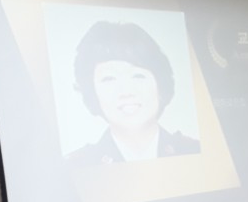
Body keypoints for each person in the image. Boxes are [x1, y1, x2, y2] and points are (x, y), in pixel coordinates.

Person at [67, 21, 199, 165]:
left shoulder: (193, 150)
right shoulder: (77, 164)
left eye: (138, 76)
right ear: (92, 93)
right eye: (109, 79)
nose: (126, 92)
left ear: (160, 85)